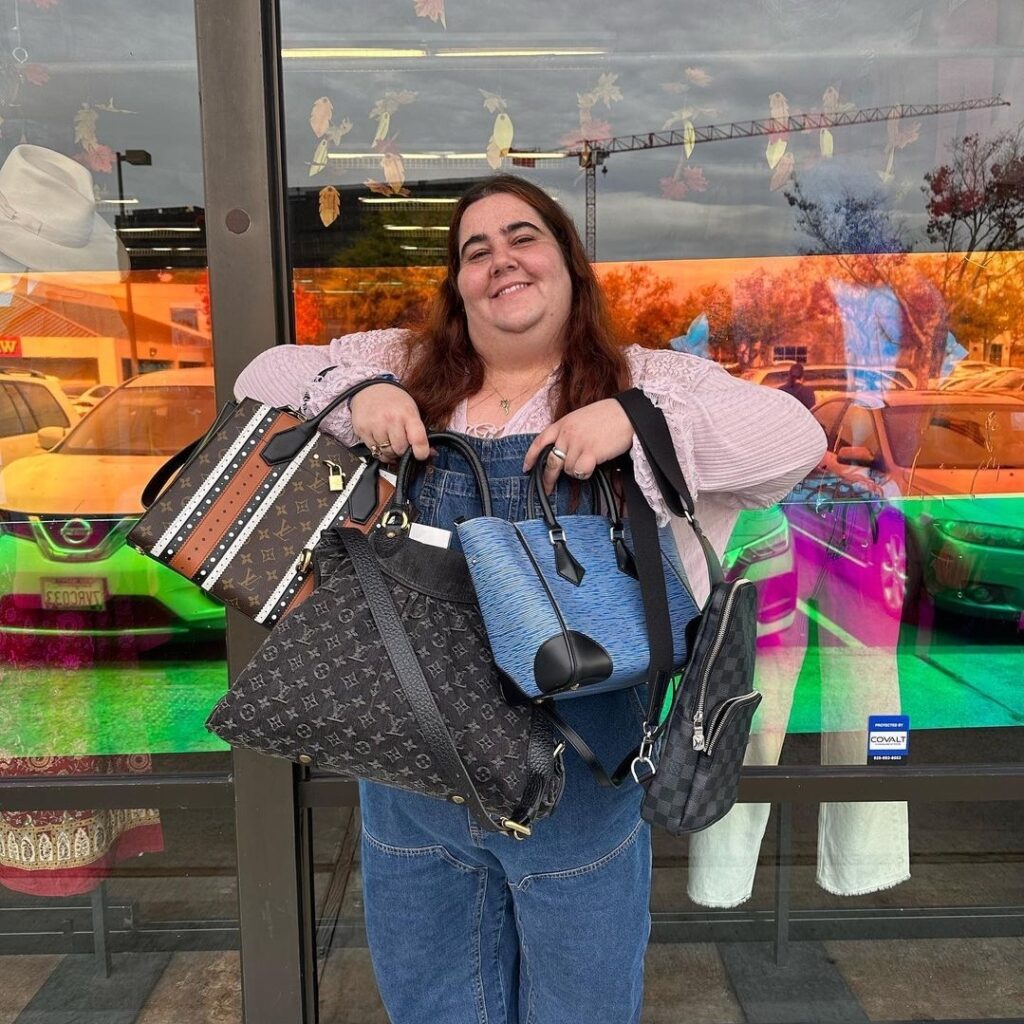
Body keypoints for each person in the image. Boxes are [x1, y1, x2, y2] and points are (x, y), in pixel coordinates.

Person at [235, 174, 825, 1024]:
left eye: (523, 239)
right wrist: (358, 395)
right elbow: (261, 376)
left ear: (569, 266)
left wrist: (638, 422)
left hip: (583, 780)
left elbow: (795, 439)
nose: (500, 261)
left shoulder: (644, 376)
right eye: (476, 251)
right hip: (411, 782)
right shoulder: (401, 364)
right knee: (435, 1008)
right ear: (458, 285)